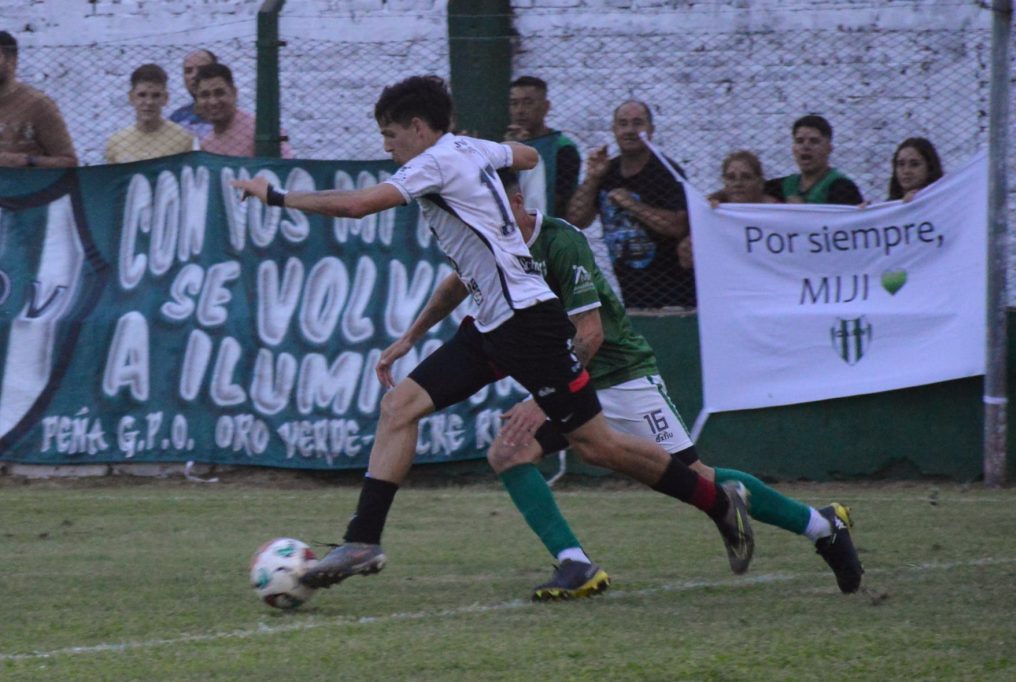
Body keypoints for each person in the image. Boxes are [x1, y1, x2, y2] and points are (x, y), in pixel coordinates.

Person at [230, 75, 753, 593]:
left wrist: (276, 195)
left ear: (418, 128)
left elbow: (357, 205)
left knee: (598, 447)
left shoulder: (433, 162)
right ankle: (363, 539)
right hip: (491, 325)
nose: (387, 147)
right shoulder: (466, 150)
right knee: (399, 406)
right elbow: (527, 157)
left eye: (390, 134)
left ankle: (717, 501)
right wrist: (487, 153)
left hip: (529, 324)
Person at [493, 169, 864, 596]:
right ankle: (575, 563)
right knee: (511, 451)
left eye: (490, 208)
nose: (481, 218)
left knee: (696, 477)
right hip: (571, 380)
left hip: (619, 374)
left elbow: (590, 335)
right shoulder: (493, 249)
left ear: (516, 203)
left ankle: (821, 525)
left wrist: (546, 395)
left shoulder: (561, 241)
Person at [566, 100, 691, 309]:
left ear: (651, 130)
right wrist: (592, 177)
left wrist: (632, 205)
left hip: (674, 293)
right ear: (614, 130)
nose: (630, 130)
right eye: (623, 124)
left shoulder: (667, 171)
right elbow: (576, 219)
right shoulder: (607, 171)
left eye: (637, 123)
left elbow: (678, 226)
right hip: (631, 292)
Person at [678, 150, 779, 271]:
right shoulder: (714, 210)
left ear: (760, 183)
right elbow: (685, 261)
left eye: (746, 177)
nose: (738, 183)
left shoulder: (777, 211)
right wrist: (689, 250)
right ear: (724, 182)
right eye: (731, 178)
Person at [504, 75, 581, 219]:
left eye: (528, 103)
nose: (520, 110)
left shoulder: (563, 148)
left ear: (546, 107)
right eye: (514, 103)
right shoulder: (503, 147)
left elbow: (560, 201)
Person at [0, 30, 77, 168]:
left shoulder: (37, 104)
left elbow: (69, 162)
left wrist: (26, 161)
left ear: (12, 61)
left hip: (25, 181)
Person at [195, 62, 293, 158]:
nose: (213, 102)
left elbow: (285, 165)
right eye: (205, 95)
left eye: (219, 93)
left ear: (234, 93)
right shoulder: (206, 146)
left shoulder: (261, 132)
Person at [104, 64, 195, 164]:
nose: (149, 102)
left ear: (165, 98)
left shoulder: (183, 139)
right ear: (131, 97)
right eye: (142, 95)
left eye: (156, 95)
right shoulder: (116, 143)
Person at [764, 114, 863, 205]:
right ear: (793, 149)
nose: (806, 146)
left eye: (814, 141)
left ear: (829, 148)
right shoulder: (780, 187)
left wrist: (803, 210)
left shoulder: (842, 188)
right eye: (799, 141)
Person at [169, 49, 216, 140]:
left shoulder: (231, 116)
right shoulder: (178, 118)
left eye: (202, 69)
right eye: (188, 71)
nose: (194, 75)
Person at [888, 137, 943, 201]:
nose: (906, 171)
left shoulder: (944, 200)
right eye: (901, 164)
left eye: (914, 164)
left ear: (929, 167)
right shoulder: (887, 206)